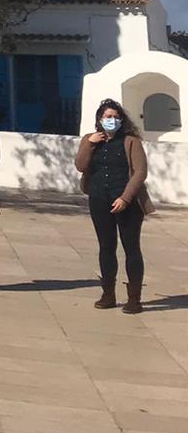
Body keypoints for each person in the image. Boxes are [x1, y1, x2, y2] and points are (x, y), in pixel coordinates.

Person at [75, 99, 151, 314]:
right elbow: (81, 165)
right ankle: (108, 293)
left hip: (126, 202)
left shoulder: (131, 141)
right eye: (108, 117)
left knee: (131, 247)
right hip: (99, 198)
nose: (112, 120)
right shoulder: (91, 141)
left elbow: (140, 172)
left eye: (116, 117)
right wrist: (89, 143)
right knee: (106, 247)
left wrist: (125, 198)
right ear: (100, 119)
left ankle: (134, 299)